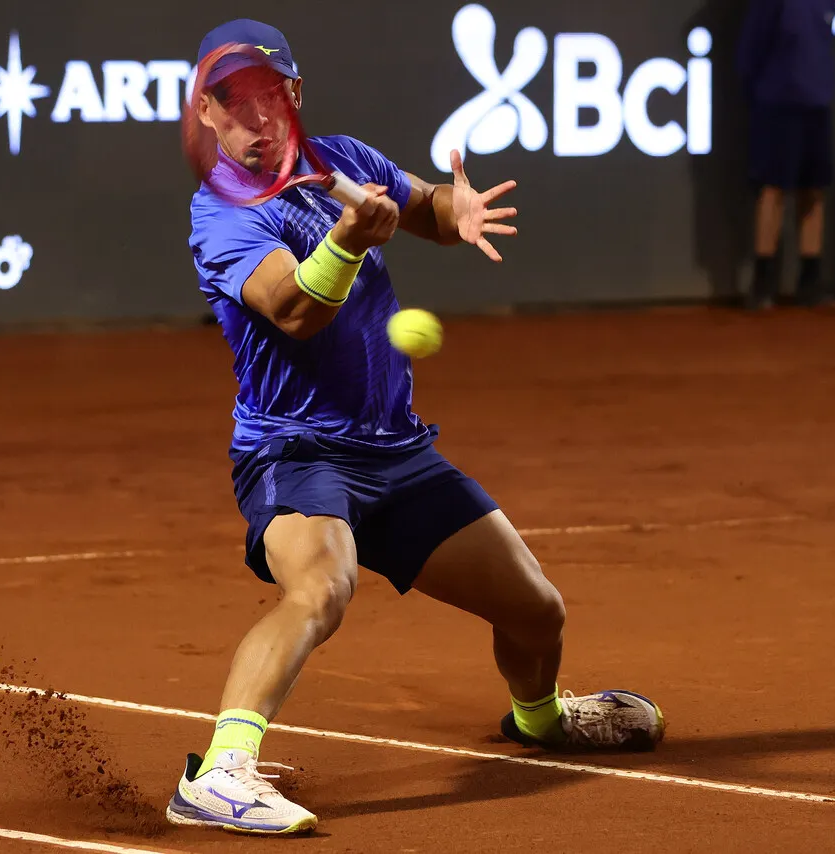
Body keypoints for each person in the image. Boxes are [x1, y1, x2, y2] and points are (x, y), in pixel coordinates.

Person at [169, 18, 666, 836]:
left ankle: (539, 720)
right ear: (207, 114)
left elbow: (424, 207)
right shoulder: (219, 212)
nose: (253, 120)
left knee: (538, 611)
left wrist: (452, 205)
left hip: (397, 453)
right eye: (232, 104)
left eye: (266, 99)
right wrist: (347, 240)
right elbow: (292, 308)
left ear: (292, 98)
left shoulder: (347, 160)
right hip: (295, 452)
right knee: (322, 588)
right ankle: (220, 773)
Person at [737, 0, 835, 310]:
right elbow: (749, 52)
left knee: (813, 189)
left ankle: (810, 281)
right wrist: (761, 94)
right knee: (773, 188)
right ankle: (762, 283)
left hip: (817, 103)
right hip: (777, 103)